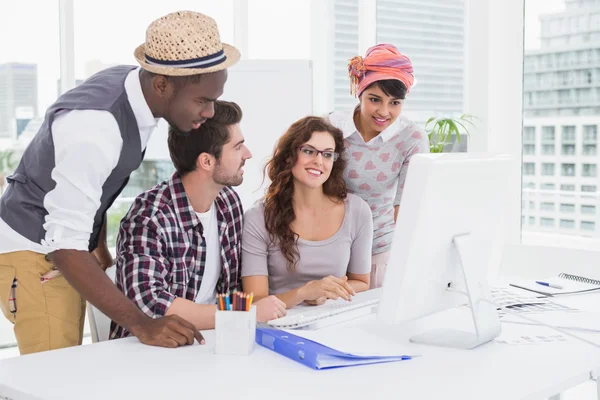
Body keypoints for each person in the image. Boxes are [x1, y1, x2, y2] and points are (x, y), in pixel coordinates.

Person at [0, 11, 239, 354]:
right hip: (37, 249)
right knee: (54, 378)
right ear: (162, 85)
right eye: (203, 100)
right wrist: (142, 322)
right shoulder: (95, 128)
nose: (211, 113)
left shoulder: (135, 89)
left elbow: (93, 186)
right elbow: (62, 242)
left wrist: (98, 248)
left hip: (61, 243)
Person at [111, 101, 286, 340]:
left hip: (213, 342)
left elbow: (235, 287)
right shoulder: (148, 217)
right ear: (206, 161)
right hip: (150, 352)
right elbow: (150, 305)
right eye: (238, 147)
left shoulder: (228, 203)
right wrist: (243, 314)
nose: (248, 154)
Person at [327, 43, 430, 289]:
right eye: (375, 99)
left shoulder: (411, 138)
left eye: (395, 103)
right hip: (327, 250)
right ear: (359, 93)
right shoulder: (330, 127)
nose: (384, 111)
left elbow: (406, 207)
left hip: (379, 253)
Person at [241, 117, 373, 308]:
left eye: (327, 155)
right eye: (309, 151)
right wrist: (304, 293)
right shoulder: (258, 217)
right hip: (278, 324)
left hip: (332, 321)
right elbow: (255, 302)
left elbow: (361, 282)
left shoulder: (358, 211)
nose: (319, 161)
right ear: (288, 156)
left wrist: (324, 293)